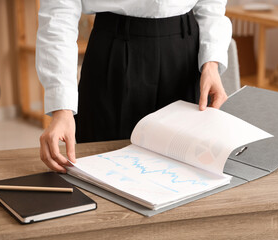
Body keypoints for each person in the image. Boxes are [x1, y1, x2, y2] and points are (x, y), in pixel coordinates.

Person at [36, 1, 232, 173]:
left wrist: (211, 62)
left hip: (185, 57)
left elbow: (211, 4)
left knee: (187, 171)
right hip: (114, 54)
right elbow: (58, 15)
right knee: (106, 173)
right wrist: (62, 109)